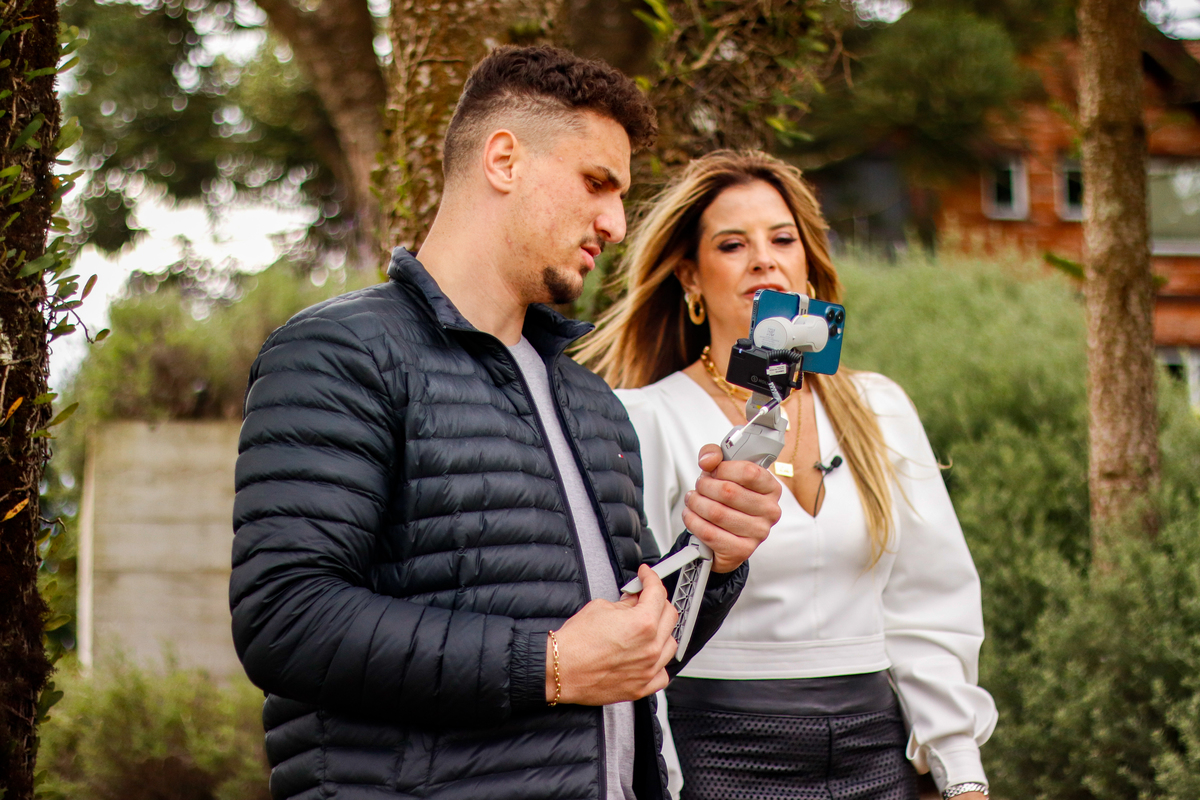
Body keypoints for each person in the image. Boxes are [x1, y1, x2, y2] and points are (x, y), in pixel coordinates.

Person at [229, 50, 783, 800]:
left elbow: (631, 652)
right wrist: (549, 664)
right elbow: (285, 618)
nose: (616, 223)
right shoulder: (339, 353)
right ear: (503, 160)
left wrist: (713, 558)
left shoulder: (592, 401)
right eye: (597, 184)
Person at [579, 150, 998, 800]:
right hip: (719, 757)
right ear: (690, 276)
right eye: (732, 244)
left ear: (807, 262)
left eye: (782, 239)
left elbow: (928, 607)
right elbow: (637, 621)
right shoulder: (643, 419)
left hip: (878, 757)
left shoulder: (878, 408)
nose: (762, 260)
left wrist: (961, 771)